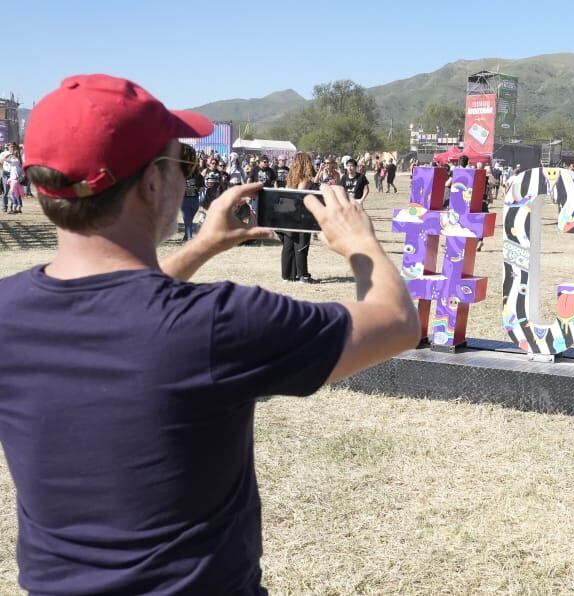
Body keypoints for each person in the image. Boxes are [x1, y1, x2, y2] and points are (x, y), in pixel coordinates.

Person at [4, 73, 419, 594]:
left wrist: (200, 247)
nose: (187, 174)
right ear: (154, 183)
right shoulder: (217, 322)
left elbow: (118, 308)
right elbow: (397, 321)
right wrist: (359, 242)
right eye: (185, 161)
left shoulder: (8, 313)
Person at [281, 152, 317, 283]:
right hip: (300, 215)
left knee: (288, 245)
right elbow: (300, 194)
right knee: (301, 245)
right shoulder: (304, 179)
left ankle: (287, 275)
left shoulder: (291, 177)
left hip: (288, 213)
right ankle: (303, 275)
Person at [181, 159, 205, 241]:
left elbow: (202, 189)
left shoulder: (199, 176)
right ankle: (189, 238)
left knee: (189, 220)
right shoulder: (182, 175)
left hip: (195, 200)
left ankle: (186, 236)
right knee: (188, 219)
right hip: (184, 200)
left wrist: (197, 189)